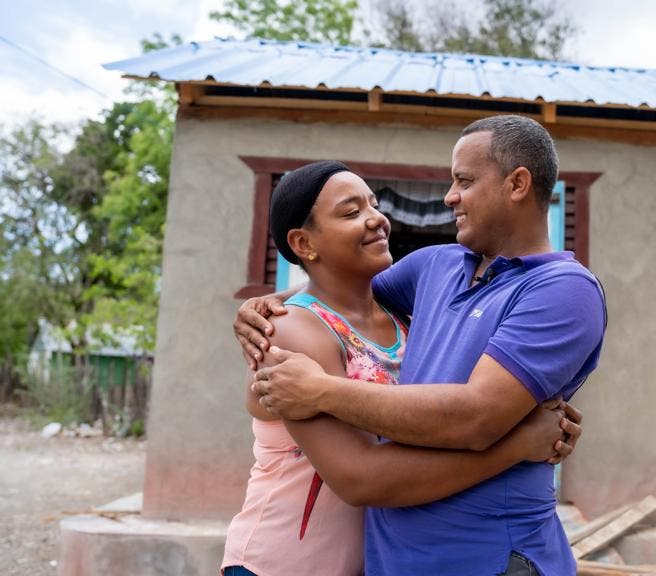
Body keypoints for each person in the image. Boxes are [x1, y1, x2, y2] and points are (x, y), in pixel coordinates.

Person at [236, 115, 607, 575]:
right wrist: (262, 306)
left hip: (490, 559)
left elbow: (477, 417)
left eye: (464, 181)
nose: (450, 196)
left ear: (517, 184)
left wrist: (321, 391)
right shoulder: (437, 266)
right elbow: (342, 291)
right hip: (396, 562)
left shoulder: (561, 290)